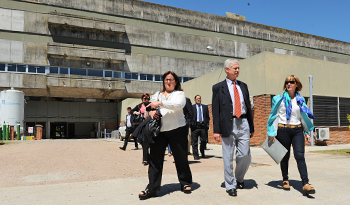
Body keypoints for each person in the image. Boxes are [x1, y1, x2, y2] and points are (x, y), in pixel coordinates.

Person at [138, 71, 193, 200]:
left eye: (171, 79)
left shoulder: (179, 94)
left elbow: (178, 105)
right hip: (159, 131)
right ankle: (152, 187)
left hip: (177, 129)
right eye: (167, 79)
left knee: (181, 158)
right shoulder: (156, 95)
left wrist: (160, 103)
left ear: (176, 82)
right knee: (155, 160)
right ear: (163, 81)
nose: (169, 82)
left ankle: (185, 182)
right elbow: (150, 108)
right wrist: (151, 112)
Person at [212, 58, 254, 197]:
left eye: (238, 68)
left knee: (245, 154)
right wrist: (216, 130)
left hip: (243, 123)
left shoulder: (243, 85)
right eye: (235, 68)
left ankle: (239, 178)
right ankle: (230, 185)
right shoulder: (218, 87)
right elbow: (216, 110)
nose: (238, 70)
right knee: (228, 157)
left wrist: (251, 127)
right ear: (227, 69)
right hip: (227, 124)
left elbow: (248, 106)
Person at [267, 75, 315, 195]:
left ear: (297, 84)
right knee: (285, 156)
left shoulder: (301, 100)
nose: (289, 84)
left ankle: (305, 183)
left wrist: (307, 132)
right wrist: (272, 132)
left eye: (292, 82)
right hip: (283, 130)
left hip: (297, 130)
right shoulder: (279, 99)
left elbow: (303, 116)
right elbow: (274, 116)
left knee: (300, 156)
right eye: (287, 82)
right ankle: (285, 179)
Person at [131, 93, 151, 165]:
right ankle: (146, 158)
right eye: (145, 99)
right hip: (142, 125)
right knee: (142, 141)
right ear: (142, 99)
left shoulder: (151, 104)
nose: (146, 100)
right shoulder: (139, 105)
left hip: (149, 124)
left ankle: (146, 158)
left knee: (146, 141)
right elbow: (131, 111)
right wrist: (136, 112)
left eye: (148, 99)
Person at [191, 95, 210, 160]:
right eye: (197, 98)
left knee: (204, 140)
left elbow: (207, 117)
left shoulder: (205, 107)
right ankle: (196, 155)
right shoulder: (192, 107)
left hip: (203, 126)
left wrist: (207, 125)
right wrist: (191, 124)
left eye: (199, 98)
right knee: (194, 142)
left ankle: (202, 152)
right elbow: (190, 116)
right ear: (195, 100)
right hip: (195, 126)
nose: (198, 99)